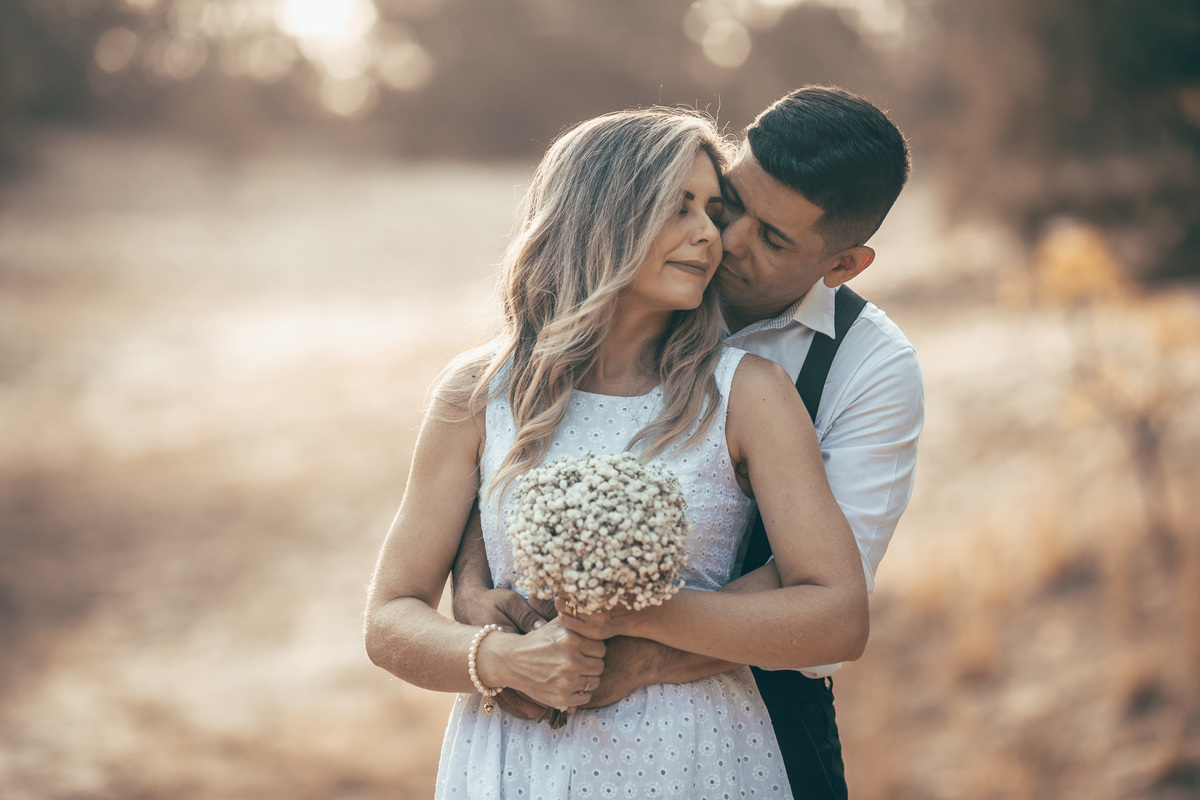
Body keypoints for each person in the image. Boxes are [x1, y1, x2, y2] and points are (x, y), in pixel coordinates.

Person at [364, 107, 870, 798]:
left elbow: (837, 617)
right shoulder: (478, 393)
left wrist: (632, 615)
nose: (708, 235)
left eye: (712, 209)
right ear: (600, 212)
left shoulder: (749, 394)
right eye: (679, 207)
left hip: (700, 758)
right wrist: (506, 661)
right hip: (519, 763)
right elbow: (391, 616)